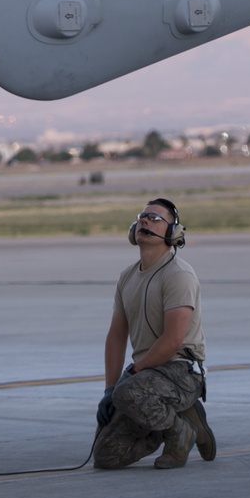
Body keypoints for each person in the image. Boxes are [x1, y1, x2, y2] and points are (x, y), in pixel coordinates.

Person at [92, 197, 216, 470]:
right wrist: (109, 389)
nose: (145, 220)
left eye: (155, 218)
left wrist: (131, 374)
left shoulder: (178, 275)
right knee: (106, 455)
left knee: (128, 394)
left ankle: (179, 433)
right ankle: (179, 421)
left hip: (180, 370)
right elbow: (116, 337)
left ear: (173, 234)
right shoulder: (127, 277)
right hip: (145, 376)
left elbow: (172, 341)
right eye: (142, 216)